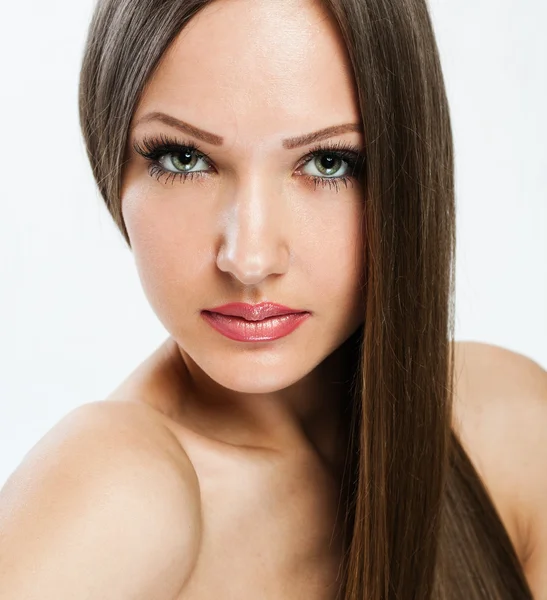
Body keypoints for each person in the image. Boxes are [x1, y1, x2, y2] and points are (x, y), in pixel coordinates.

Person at [1, 0, 546, 598]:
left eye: (328, 163)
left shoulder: (506, 426)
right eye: (185, 159)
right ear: (112, 167)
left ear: (406, 173)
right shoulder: (115, 495)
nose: (250, 258)